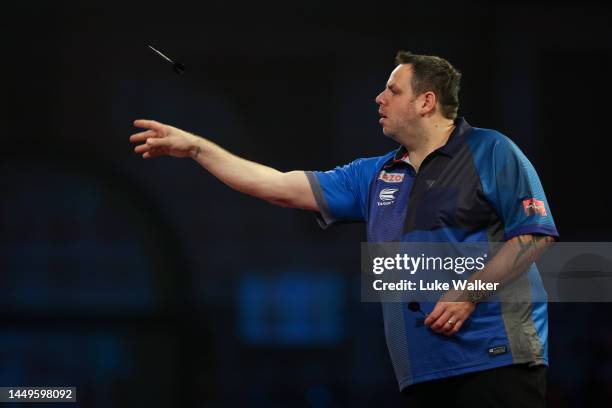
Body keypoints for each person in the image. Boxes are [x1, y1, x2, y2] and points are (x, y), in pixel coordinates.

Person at [129, 51, 558, 407]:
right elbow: (277, 186)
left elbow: (534, 235)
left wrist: (469, 292)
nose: (379, 98)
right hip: (422, 372)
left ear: (427, 101)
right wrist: (198, 148)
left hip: (496, 362)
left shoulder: (492, 150)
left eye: (392, 90)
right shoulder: (373, 175)